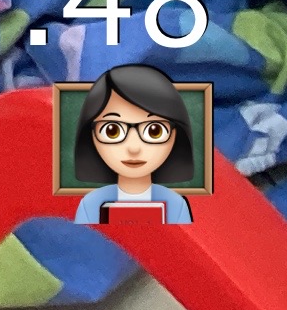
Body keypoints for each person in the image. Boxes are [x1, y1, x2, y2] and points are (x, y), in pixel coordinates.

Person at [71, 62, 198, 224]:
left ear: (174, 135)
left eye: (154, 131)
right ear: (92, 135)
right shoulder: (92, 203)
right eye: (112, 131)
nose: (133, 148)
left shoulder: (175, 204)